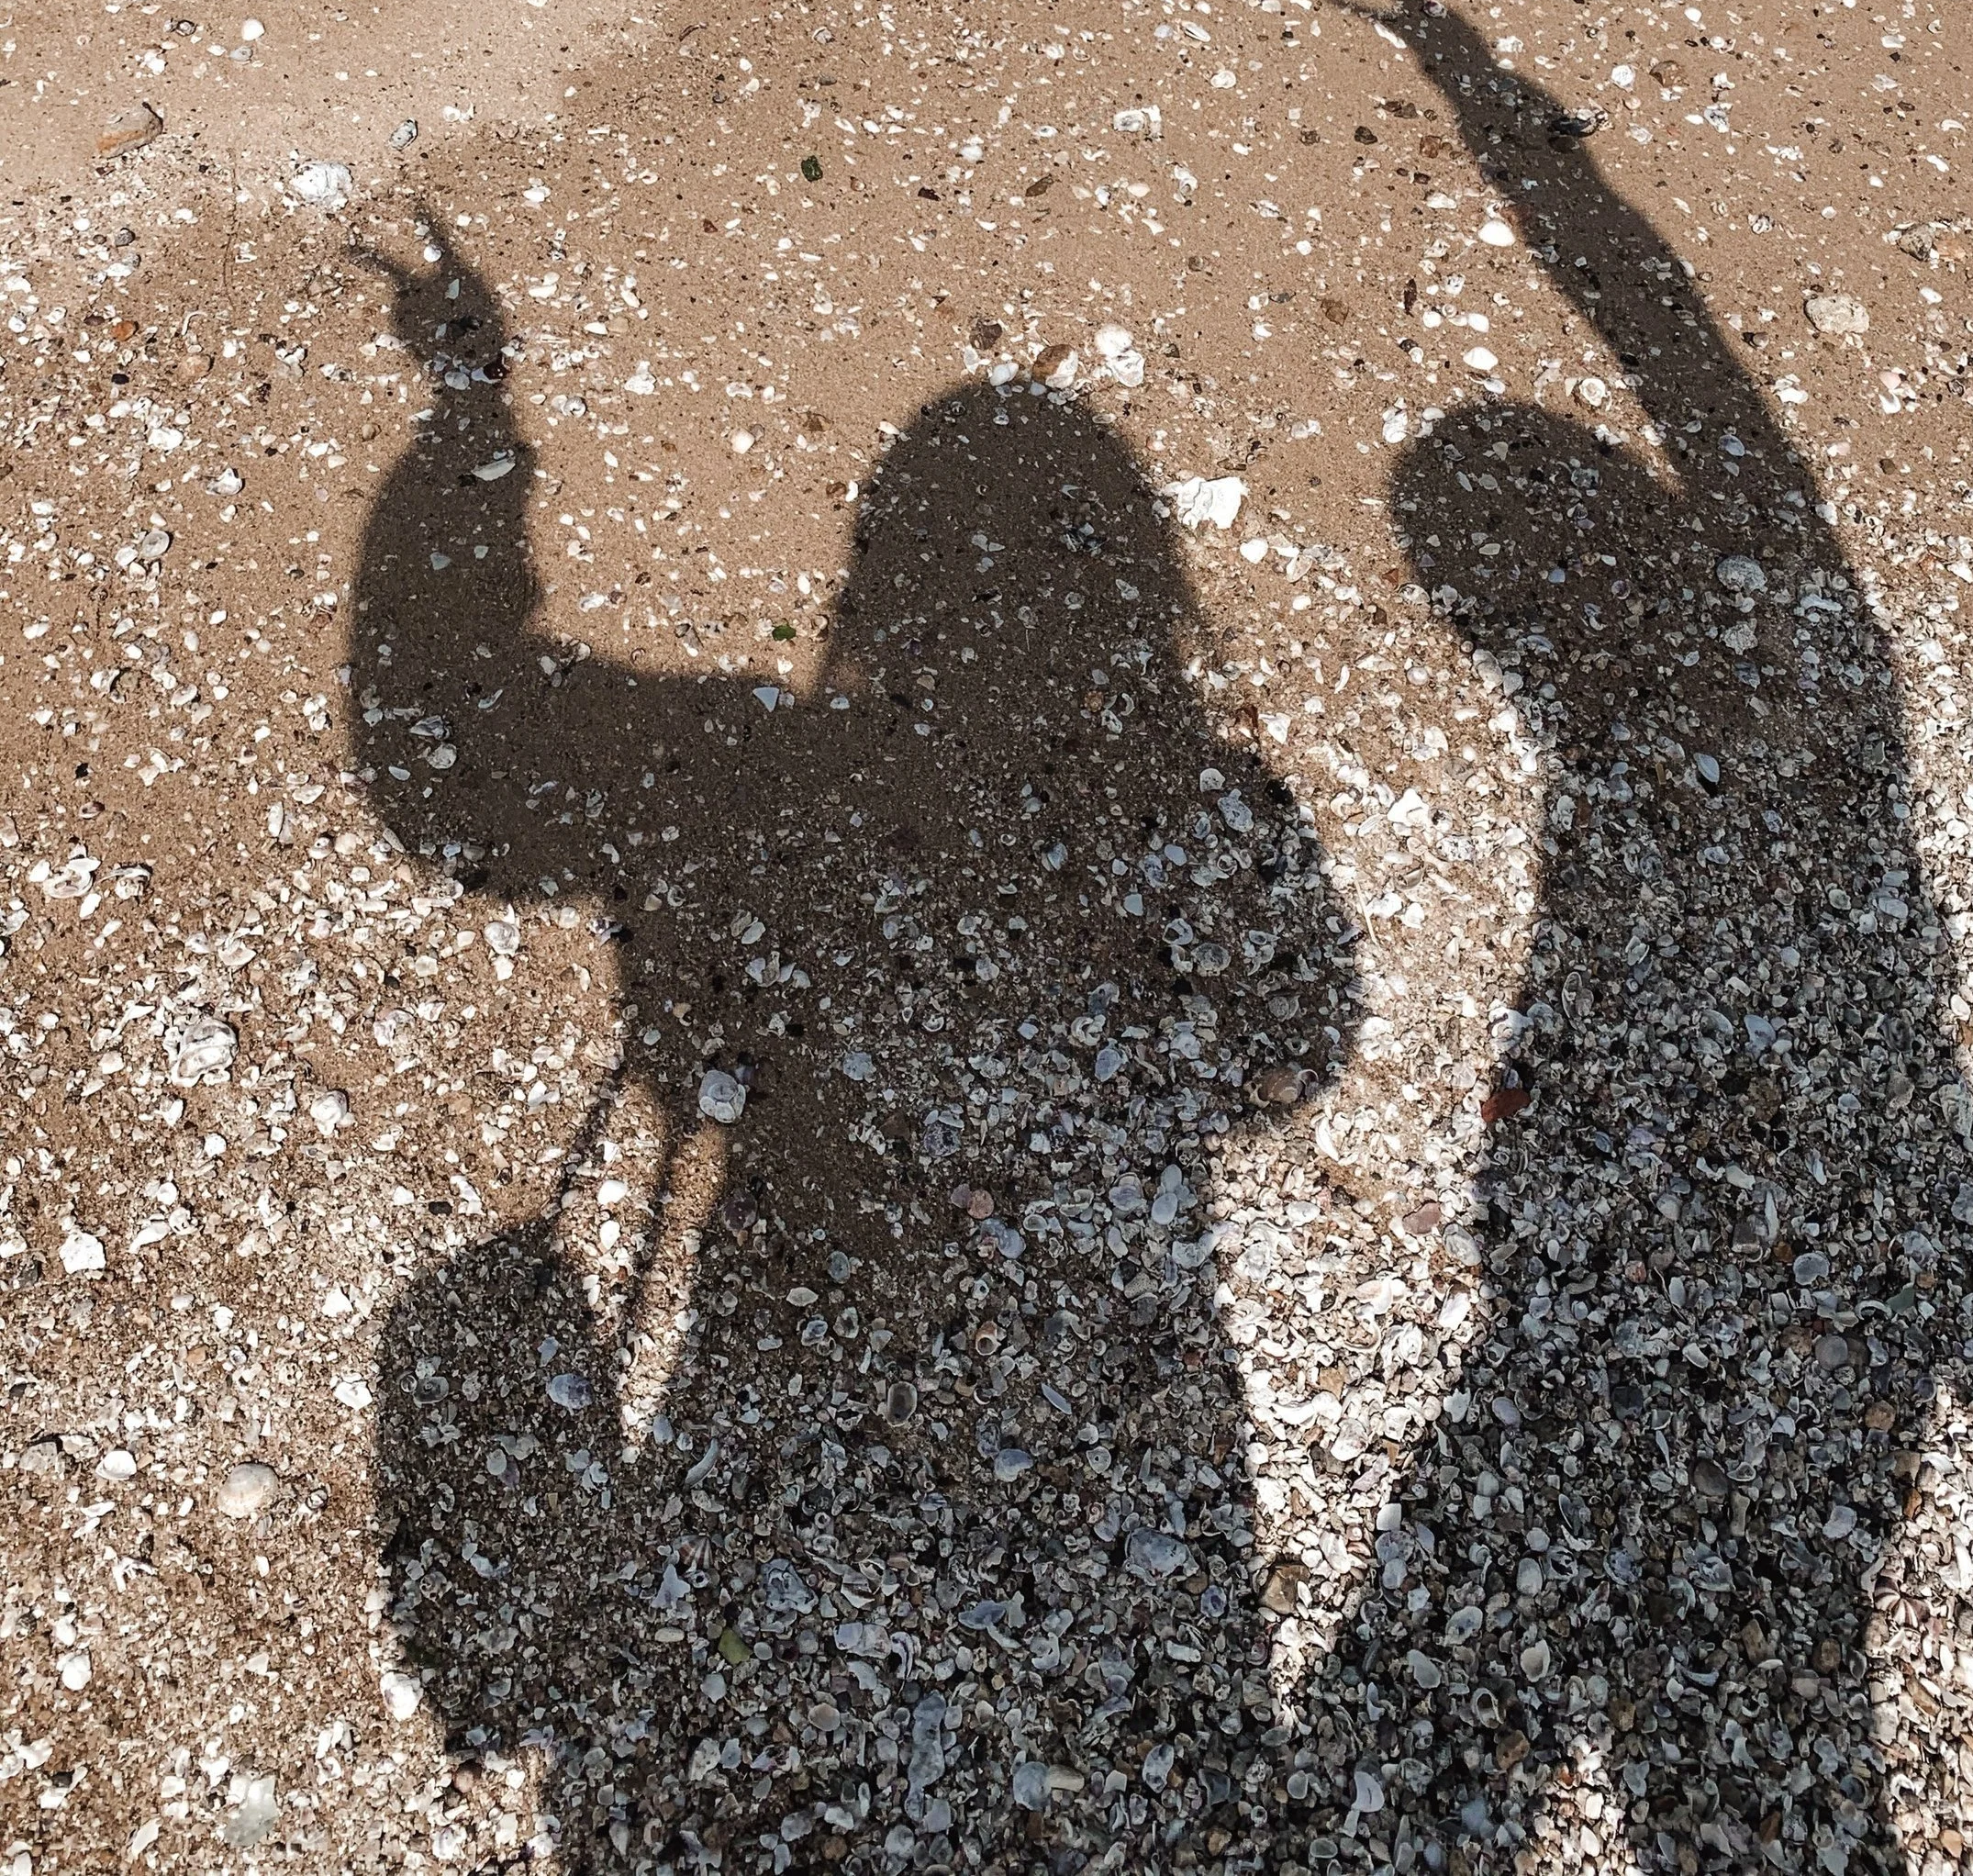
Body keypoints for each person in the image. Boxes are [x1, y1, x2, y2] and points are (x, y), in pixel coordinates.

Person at [352, 224, 1357, 1871]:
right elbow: (1295, 1046)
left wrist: (472, 427)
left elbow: (448, 782)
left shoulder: (753, 775)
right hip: (1110, 1489)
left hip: (762, 1424)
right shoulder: (1217, 813)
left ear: (869, 576)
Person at [1306, 0, 1973, 1874]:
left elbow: (1700, 398)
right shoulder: (1822, 667)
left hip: (1598, 1342)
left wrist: (1530, 148)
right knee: (1762, 1768)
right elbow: (1705, 398)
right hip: (1780, 1374)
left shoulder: (1788, 696)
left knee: (1479, 1747)